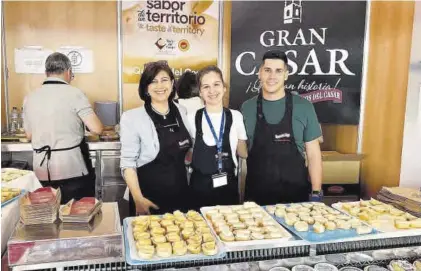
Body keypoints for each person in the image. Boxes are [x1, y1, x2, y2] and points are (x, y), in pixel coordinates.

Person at [241, 50, 323, 205]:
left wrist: (316, 193)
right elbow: (242, 150)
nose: (272, 76)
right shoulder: (247, 108)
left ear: (286, 75)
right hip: (257, 200)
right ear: (260, 73)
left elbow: (313, 155)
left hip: (296, 199)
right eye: (267, 70)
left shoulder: (304, 107)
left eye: (278, 71)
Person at [23, 52, 103, 204]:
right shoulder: (75, 94)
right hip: (72, 169)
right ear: (68, 72)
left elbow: (29, 135)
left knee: (48, 215)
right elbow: (97, 129)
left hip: (42, 171)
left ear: (46, 73)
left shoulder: (30, 97)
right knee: (76, 216)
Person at [120, 61, 193, 216]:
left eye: (164, 80)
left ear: (172, 83)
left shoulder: (182, 110)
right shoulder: (132, 117)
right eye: (153, 81)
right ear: (146, 88)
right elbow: (128, 164)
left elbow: (186, 151)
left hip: (181, 193)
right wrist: (138, 199)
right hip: (148, 197)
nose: (160, 86)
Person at [188, 66, 248, 209]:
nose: (212, 91)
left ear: (224, 87)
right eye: (206, 87)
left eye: (216, 84)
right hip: (199, 188)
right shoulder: (191, 118)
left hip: (227, 187)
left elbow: (243, 153)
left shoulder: (236, 116)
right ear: (200, 92)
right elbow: (189, 152)